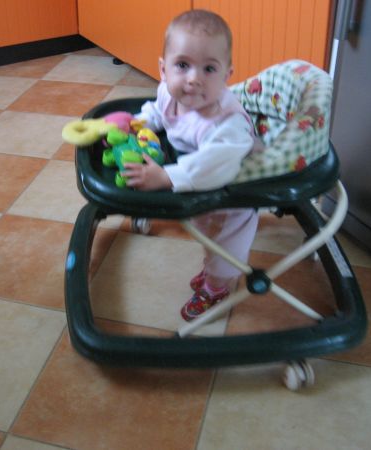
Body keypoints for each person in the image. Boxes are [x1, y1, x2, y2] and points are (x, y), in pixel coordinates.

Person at [122, 9, 264, 322]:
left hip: (231, 192)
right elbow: (158, 112)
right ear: (163, 69)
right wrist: (138, 123)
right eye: (183, 65)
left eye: (209, 68)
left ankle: (217, 288)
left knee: (224, 247)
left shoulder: (225, 123)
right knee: (203, 233)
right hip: (197, 178)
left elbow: (213, 166)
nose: (193, 78)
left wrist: (166, 177)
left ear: (227, 75)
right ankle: (213, 272)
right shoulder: (169, 92)